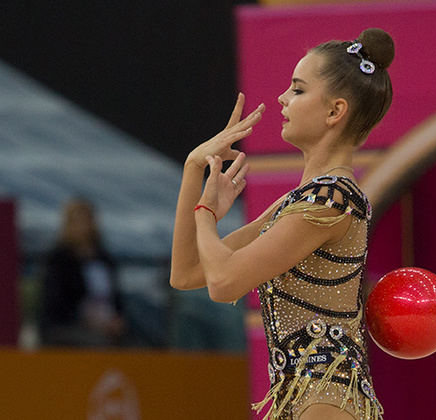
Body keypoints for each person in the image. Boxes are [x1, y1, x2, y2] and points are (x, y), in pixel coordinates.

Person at [170, 28, 394, 420]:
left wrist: (205, 214)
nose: (282, 98)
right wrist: (194, 170)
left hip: (326, 396)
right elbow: (187, 273)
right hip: (302, 396)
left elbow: (224, 283)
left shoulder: (330, 200)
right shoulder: (300, 202)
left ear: (334, 112)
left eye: (298, 89)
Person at [40, 199, 126, 347]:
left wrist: (117, 320)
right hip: (67, 326)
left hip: (106, 323)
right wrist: (87, 320)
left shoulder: (104, 258)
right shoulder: (59, 259)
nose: (83, 227)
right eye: (78, 222)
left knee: (138, 344)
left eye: (87, 220)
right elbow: (56, 303)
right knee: (99, 343)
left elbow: (117, 298)